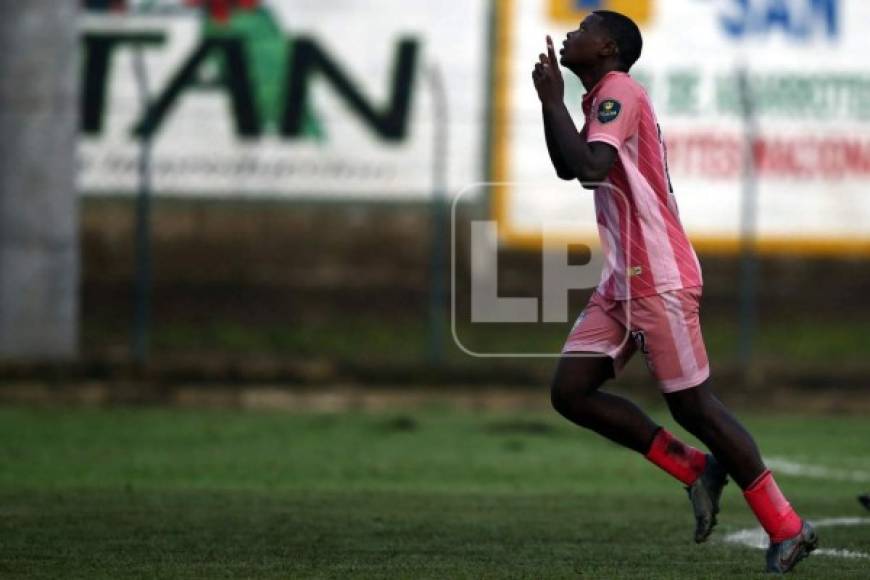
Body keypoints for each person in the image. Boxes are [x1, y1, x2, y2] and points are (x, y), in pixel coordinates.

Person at [531, 10, 817, 574]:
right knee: (572, 389)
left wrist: (550, 102)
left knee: (696, 405)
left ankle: (788, 527)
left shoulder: (620, 92)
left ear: (608, 47)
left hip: (659, 277)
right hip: (624, 281)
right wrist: (552, 103)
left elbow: (590, 165)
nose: (572, 33)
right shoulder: (597, 98)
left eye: (584, 26)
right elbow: (572, 170)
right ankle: (693, 468)